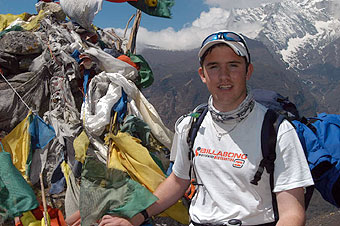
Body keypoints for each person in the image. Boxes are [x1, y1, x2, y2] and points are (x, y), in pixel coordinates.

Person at [98, 30, 314, 226]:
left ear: (248, 71)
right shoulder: (190, 125)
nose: (224, 76)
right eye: (214, 67)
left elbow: (292, 213)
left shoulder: (277, 131)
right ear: (202, 74)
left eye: (233, 65)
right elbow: (178, 180)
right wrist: (134, 217)